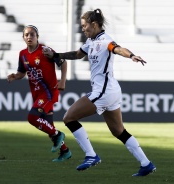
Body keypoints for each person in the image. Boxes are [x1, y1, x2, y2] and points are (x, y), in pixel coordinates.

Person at [43, 9, 156, 176]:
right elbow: (76, 54)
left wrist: (131, 55)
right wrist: (55, 55)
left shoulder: (105, 40)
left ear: (94, 25)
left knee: (69, 117)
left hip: (104, 91)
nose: (83, 29)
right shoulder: (90, 42)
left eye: (84, 26)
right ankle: (146, 164)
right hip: (111, 91)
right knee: (119, 131)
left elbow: (117, 48)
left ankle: (91, 155)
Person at [7, 25, 72, 162]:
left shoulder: (45, 51)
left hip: (49, 93)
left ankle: (59, 134)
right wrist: (15, 76)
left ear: (37, 37)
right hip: (37, 94)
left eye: (32, 34)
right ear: (23, 37)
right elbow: (22, 72)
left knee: (32, 117)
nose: (29, 37)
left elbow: (63, 62)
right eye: (27, 35)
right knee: (48, 126)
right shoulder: (23, 54)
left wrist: (63, 81)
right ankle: (65, 151)